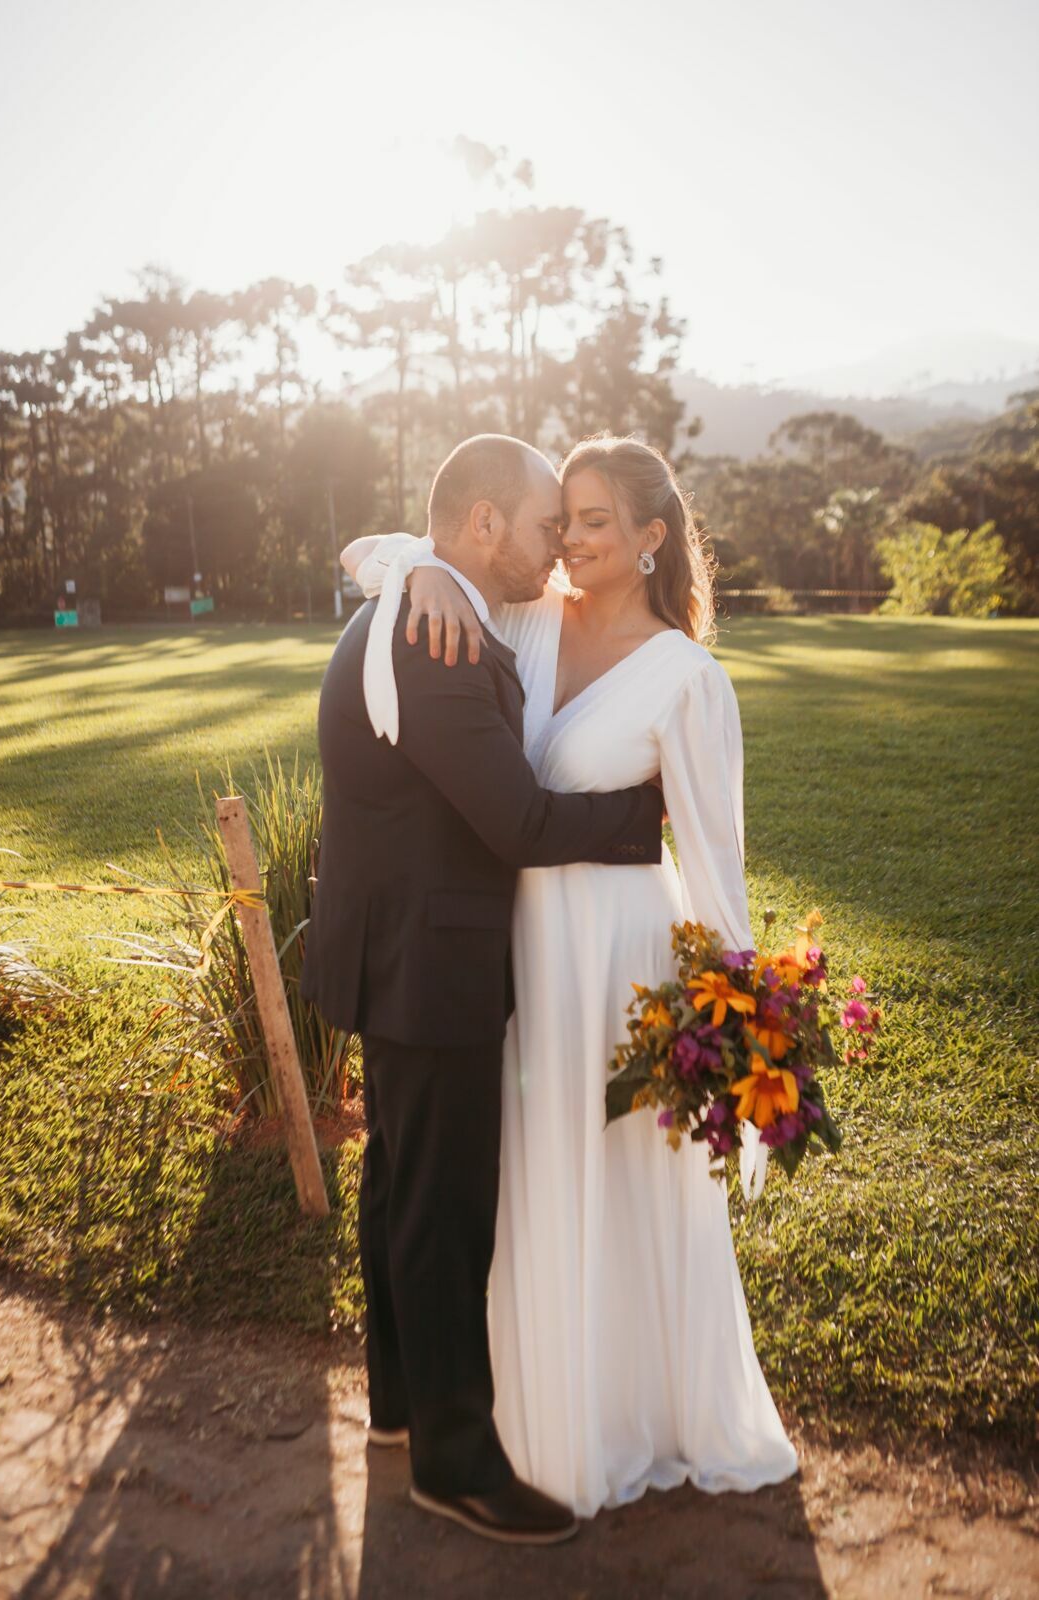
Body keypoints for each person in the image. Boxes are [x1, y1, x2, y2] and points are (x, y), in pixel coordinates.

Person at [345, 432, 800, 1520]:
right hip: (512, 956)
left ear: (650, 539)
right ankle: (513, 1410)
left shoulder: (688, 679)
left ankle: (625, 1407)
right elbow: (376, 550)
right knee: (510, 1180)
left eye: (594, 521)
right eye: (564, 520)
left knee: (612, 1181)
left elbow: (714, 864)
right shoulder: (514, 621)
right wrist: (412, 565)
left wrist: (740, 1023)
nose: (571, 542)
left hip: (618, 961)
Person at [300, 434, 669, 1545]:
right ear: (480, 529)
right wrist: (639, 819)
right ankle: (455, 1463)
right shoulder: (438, 634)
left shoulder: (424, 598)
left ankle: (402, 1406)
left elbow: (385, 546)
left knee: (398, 1181)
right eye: (545, 524)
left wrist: (404, 557)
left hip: (394, 946)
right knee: (442, 1208)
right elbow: (512, 820)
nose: (558, 545)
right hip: (431, 957)